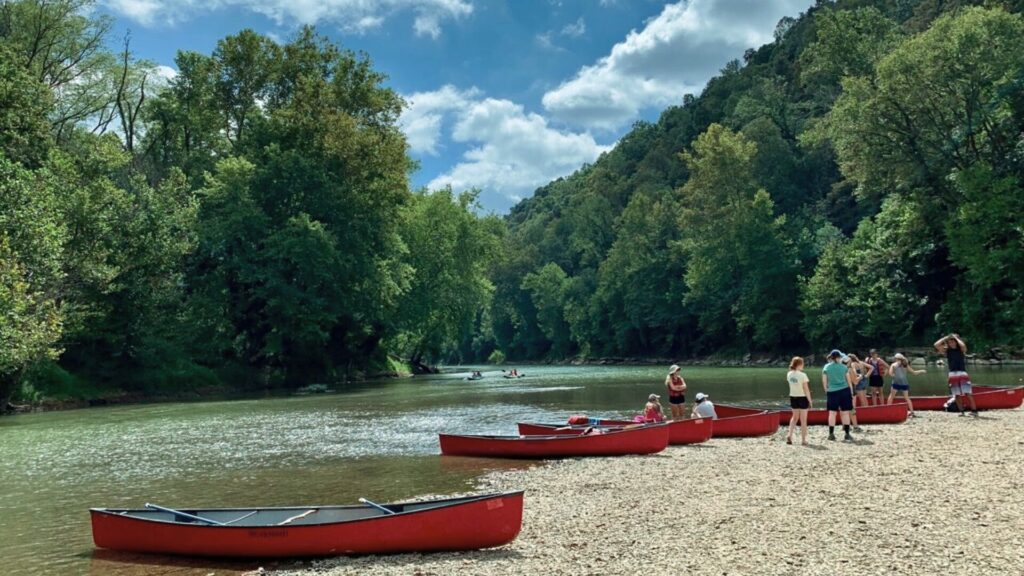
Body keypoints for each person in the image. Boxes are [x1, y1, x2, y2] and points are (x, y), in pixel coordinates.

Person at [934, 333, 978, 416]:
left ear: (956, 342)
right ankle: (962, 411)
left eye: (953, 342)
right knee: (956, 394)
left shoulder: (960, 349)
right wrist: (946, 338)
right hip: (952, 373)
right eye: (950, 342)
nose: (951, 343)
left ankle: (974, 411)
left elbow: (964, 346)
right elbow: (936, 345)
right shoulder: (947, 350)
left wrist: (955, 338)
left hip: (962, 372)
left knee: (968, 393)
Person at [823, 349, 854, 442]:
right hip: (844, 391)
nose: (841, 359)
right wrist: (851, 391)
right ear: (838, 358)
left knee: (832, 413)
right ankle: (847, 434)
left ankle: (831, 434)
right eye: (840, 357)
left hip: (832, 392)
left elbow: (824, 381)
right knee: (845, 413)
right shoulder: (844, 367)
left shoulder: (826, 367)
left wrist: (826, 391)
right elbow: (848, 381)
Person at [786, 356, 812, 445]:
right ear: (799, 364)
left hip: (793, 397)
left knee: (794, 418)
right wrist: (810, 400)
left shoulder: (789, 374)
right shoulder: (803, 375)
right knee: (803, 420)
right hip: (802, 398)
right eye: (802, 363)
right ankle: (803, 440)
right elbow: (806, 389)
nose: (803, 365)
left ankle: (789, 435)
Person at [843, 354, 867, 431]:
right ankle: (855, 426)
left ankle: (845, 425)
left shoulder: (840, 368)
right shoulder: (849, 369)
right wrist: (860, 377)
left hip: (841, 390)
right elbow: (855, 382)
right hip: (850, 390)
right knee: (852, 408)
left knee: (843, 409)